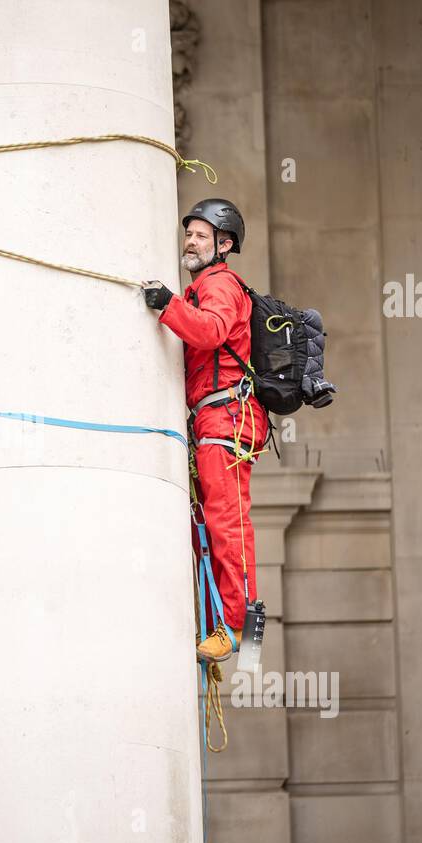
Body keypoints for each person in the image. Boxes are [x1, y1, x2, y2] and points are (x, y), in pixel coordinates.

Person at [141, 199, 267, 663]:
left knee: (225, 523)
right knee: (207, 529)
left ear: (224, 244)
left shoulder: (220, 285)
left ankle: (239, 629)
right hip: (212, 418)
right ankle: (225, 622)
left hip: (228, 417)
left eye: (200, 235)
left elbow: (212, 332)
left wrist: (166, 306)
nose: (190, 241)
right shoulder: (205, 286)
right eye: (188, 233)